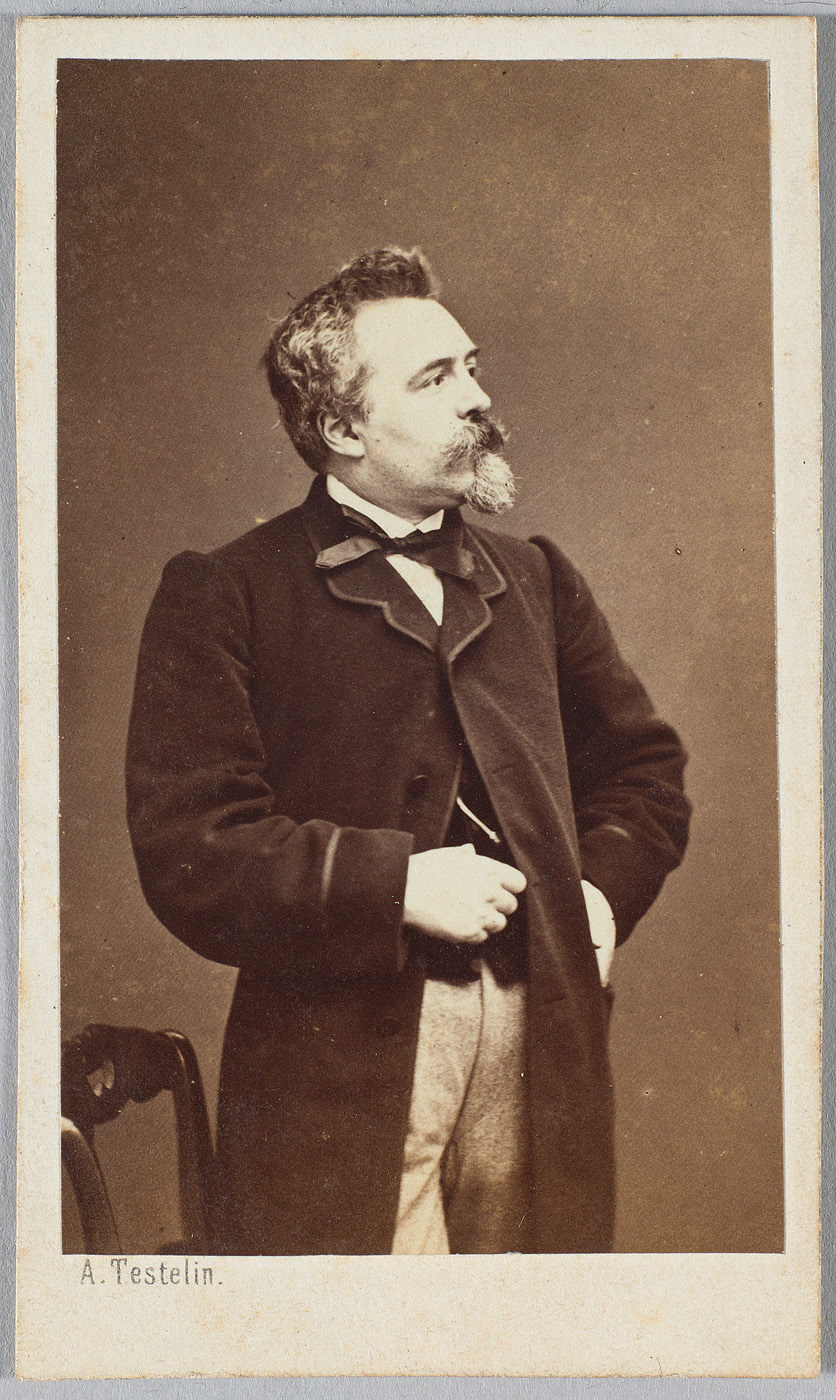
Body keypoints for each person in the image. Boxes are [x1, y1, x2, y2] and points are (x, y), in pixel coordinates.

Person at [126, 247, 690, 1256]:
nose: (477, 398)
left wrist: (594, 902)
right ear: (341, 430)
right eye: (434, 380)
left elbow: (644, 774)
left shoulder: (534, 577)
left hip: (542, 1046)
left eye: (470, 366)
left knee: (521, 1323)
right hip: (338, 1071)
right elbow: (191, 848)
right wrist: (394, 886)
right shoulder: (227, 590)